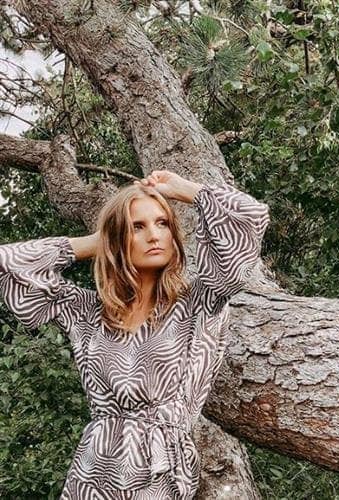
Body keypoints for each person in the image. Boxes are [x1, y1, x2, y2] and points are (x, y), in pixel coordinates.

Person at [0, 170, 270, 500]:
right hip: (92, 473)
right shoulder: (86, 311)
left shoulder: (200, 301)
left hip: (161, 472)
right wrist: (94, 243)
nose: (154, 235)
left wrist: (185, 190)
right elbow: (7, 265)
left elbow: (250, 217)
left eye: (162, 223)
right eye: (136, 227)